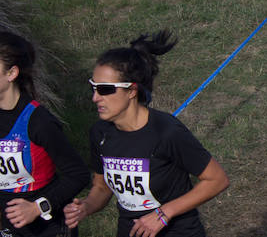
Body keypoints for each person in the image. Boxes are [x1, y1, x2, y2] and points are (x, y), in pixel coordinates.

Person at [63, 31, 229, 237]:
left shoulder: (166, 132)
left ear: (131, 91)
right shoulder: (100, 133)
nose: (95, 98)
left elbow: (217, 179)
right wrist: (85, 207)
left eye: (105, 89)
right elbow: (102, 187)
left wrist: (163, 213)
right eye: (93, 88)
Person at [0, 30, 89, 237]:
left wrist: (37, 207)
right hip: (10, 227)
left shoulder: (39, 121)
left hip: (48, 226)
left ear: (11, 74)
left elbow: (78, 175)